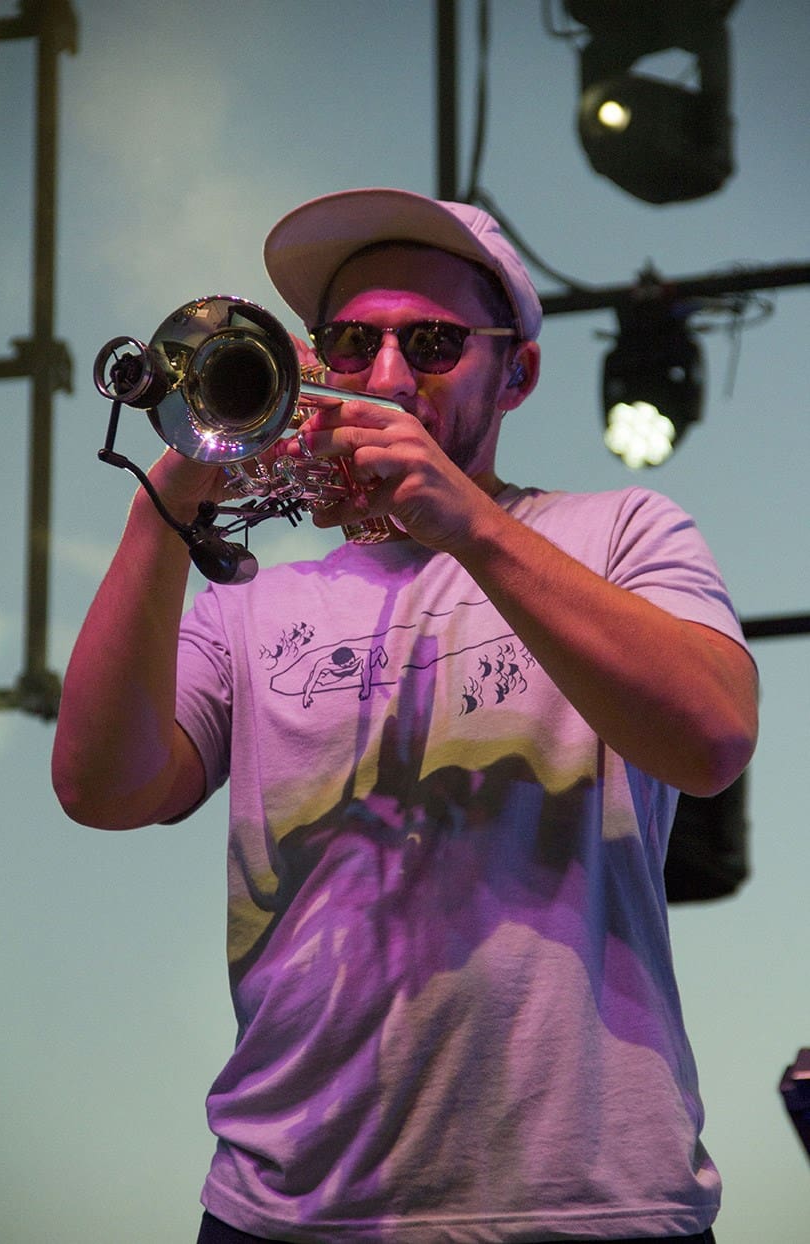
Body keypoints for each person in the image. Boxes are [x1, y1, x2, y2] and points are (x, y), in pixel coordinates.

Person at [52, 188, 758, 1244]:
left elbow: (710, 738)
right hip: (286, 1209)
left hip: (592, 1203)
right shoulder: (252, 604)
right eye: (352, 342)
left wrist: (467, 523)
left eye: (431, 343)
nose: (385, 376)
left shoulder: (620, 533)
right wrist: (172, 497)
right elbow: (100, 787)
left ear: (515, 372)